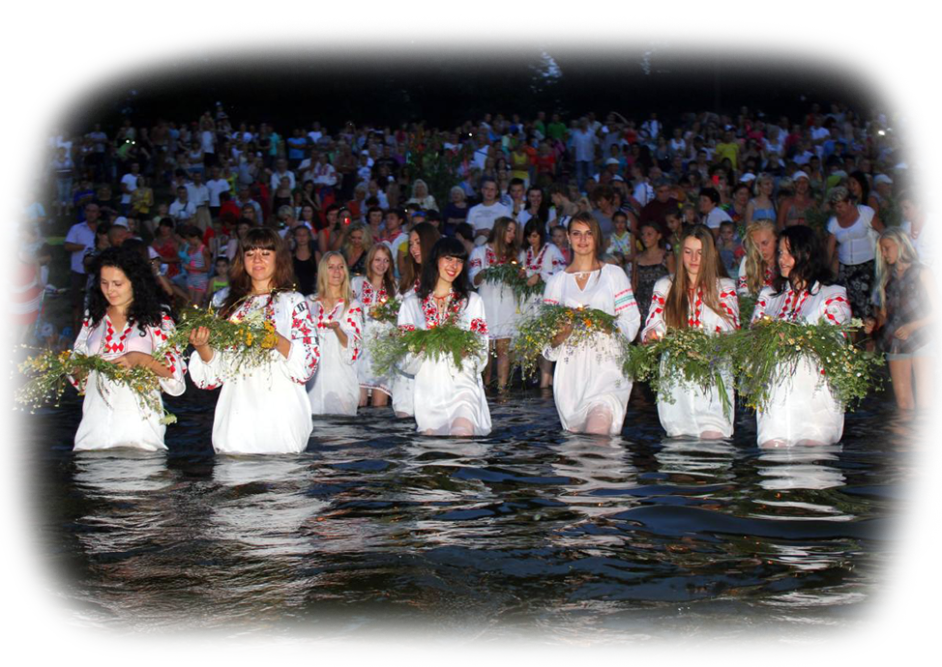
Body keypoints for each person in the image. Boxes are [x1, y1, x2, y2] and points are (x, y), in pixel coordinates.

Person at [188, 228, 319, 454]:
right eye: (250, 254)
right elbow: (212, 376)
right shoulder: (223, 302)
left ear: (278, 258)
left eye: (265, 253)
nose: (257, 259)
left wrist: (277, 341)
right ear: (242, 259)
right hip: (237, 421)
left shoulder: (292, 302)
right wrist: (202, 348)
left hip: (280, 419)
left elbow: (308, 364)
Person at [69, 246, 186, 451]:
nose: (110, 290)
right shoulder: (93, 319)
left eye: (117, 283)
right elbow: (79, 377)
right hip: (93, 433)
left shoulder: (157, 320)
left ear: (135, 282)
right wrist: (76, 367)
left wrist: (143, 360)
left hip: (140, 433)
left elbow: (176, 379)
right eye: (104, 283)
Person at [750, 225, 851, 447]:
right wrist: (765, 332)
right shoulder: (769, 295)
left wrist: (797, 337)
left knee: (812, 454)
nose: (781, 259)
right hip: (776, 393)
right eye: (780, 252)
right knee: (772, 449)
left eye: (788, 252)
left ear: (806, 254)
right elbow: (753, 333)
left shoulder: (831, 294)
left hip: (814, 394)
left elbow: (836, 337)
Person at [541, 212, 641, 435]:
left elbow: (632, 321)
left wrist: (610, 327)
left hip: (608, 366)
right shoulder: (556, 282)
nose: (583, 240)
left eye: (588, 234)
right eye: (577, 234)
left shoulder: (613, 275)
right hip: (572, 372)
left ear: (596, 238)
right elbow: (547, 342)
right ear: (568, 237)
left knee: (598, 431)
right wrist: (561, 334)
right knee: (578, 445)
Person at [641, 225, 739, 439]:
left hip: (713, 378)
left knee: (714, 441)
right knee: (679, 442)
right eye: (688, 252)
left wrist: (708, 344)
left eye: (700, 253)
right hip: (677, 380)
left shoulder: (724, 287)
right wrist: (652, 335)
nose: (694, 258)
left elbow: (731, 328)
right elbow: (654, 321)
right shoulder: (665, 285)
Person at [397, 237, 492, 436]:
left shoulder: (472, 302)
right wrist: (422, 344)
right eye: (448, 259)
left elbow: (481, 350)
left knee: (463, 434)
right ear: (435, 261)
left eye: (459, 261)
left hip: (463, 384)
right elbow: (403, 361)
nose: (454, 266)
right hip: (429, 391)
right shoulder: (411, 304)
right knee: (434, 453)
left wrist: (465, 350)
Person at [866, 228, 942, 410]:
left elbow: (938, 311)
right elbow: (883, 315)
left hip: (921, 338)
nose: (884, 254)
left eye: (886, 248)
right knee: (904, 405)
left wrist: (912, 326)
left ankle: (923, 438)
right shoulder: (885, 278)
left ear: (901, 245)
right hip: (895, 341)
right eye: (881, 251)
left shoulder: (923, 273)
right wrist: (874, 323)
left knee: (926, 404)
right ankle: (904, 437)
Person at [306, 252, 363, 416]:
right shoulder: (309, 303)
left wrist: (337, 329)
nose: (336, 271)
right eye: (331, 267)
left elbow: (354, 349)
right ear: (323, 271)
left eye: (340, 267)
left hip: (341, 380)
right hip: (313, 382)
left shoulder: (352, 305)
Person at [469, 216, 521, 391]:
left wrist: (517, 275)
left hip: (506, 303)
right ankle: (484, 387)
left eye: (514, 231)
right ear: (500, 230)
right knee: (486, 348)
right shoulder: (479, 252)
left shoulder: (513, 255)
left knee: (503, 348)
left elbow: (518, 282)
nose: (512, 234)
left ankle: (502, 389)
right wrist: (487, 271)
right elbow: (474, 279)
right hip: (487, 303)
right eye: (509, 230)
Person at [520, 218, 566, 388]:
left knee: (546, 340)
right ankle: (547, 380)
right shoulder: (526, 252)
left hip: (547, 300)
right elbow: (522, 269)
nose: (531, 240)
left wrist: (540, 276)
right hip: (529, 303)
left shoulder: (552, 250)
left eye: (534, 236)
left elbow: (561, 271)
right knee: (535, 342)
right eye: (529, 237)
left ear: (541, 235)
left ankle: (544, 385)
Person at [826, 186, 883, 319]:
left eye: (840, 206)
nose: (838, 210)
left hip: (867, 265)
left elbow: (883, 232)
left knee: (866, 303)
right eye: (835, 207)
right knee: (849, 305)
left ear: (849, 202)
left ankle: (870, 336)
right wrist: (826, 268)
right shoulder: (833, 222)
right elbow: (829, 248)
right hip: (845, 268)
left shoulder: (865, 213)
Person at [352, 244, 398, 407]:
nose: (382, 264)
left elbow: (401, 319)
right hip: (361, 350)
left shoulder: (395, 287)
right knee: (359, 401)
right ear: (370, 261)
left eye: (386, 261)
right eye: (378, 260)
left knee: (380, 404)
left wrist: (389, 316)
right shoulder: (356, 283)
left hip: (383, 351)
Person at [898, 190, 942, 292]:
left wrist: (916, 252)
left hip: (939, 276)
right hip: (917, 278)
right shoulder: (905, 226)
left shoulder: (934, 220)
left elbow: (940, 246)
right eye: (902, 209)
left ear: (918, 207)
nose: (903, 212)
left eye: (907, 208)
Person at [632, 221, 675, 322]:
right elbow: (634, 283)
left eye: (649, 234)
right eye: (643, 234)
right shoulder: (638, 258)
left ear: (658, 236)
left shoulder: (667, 256)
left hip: (660, 302)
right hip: (641, 303)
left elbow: (674, 281)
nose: (645, 237)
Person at [0, 247, 43, 344]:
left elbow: (36, 262)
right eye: (3, 260)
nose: (5, 262)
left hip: (29, 283)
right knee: (13, 312)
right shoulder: (3, 267)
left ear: (11, 257)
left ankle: (22, 337)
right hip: (16, 286)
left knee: (27, 310)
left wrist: (39, 280)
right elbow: (1, 283)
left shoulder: (21, 257)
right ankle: (14, 336)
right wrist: (2, 275)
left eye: (7, 259)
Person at [737, 219, 778, 296]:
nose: (760, 249)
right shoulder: (748, 261)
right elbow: (744, 296)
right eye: (756, 245)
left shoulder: (787, 261)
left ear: (776, 239)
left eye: (765, 243)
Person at [466, 178, 511, 245]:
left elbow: (508, 231)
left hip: (497, 247)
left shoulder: (504, 210)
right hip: (477, 248)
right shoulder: (473, 210)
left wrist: (492, 233)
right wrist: (480, 232)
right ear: (482, 190)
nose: (489, 192)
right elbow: (468, 233)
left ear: (496, 192)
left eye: (492, 189)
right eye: (486, 189)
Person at [291, 225, 319, 296]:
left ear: (309, 237)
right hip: (294, 292)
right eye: (299, 235)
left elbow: (321, 275)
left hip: (312, 293)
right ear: (294, 237)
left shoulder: (316, 254)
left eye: (304, 235)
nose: (302, 237)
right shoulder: (290, 255)